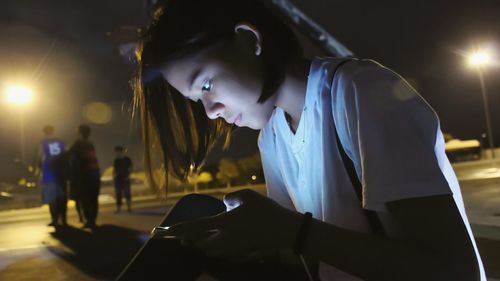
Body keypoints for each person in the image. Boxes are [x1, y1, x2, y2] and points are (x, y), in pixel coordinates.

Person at [133, 0, 485, 280]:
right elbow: (301, 254)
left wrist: (291, 232)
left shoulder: (358, 92)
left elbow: (456, 271)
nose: (210, 111)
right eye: (197, 101)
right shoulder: (272, 137)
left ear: (249, 39)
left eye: (206, 85)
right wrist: (244, 240)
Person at [68, 124, 101, 229]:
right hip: (95, 174)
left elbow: (69, 156)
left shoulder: (78, 144)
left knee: (85, 199)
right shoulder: (90, 144)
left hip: (84, 176)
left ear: (79, 132)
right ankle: (93, 221)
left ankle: (89, 221)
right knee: (94, 199)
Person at [39, 125, 67, 226]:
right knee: (62, 197)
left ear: (44, 132)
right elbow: (65, 156)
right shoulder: (60, 142)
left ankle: (54, 220)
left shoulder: (44, 143)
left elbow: (41, 158)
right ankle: (63, 219)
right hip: (61, 173)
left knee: (52, 198)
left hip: (49, 174)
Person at [113, 146, 133, 213]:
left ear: (121, 151)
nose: (116, 153)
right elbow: (115, 170)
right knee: (118, 194)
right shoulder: (116, 160)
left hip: (125, 178)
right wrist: (114, 177)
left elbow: (131, 168)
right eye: (116, 152)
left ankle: (129, 208)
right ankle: (118, 209)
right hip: (118, 179)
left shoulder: (127, 159)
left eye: (117, 152)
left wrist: (128, 175)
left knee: (127, 193)